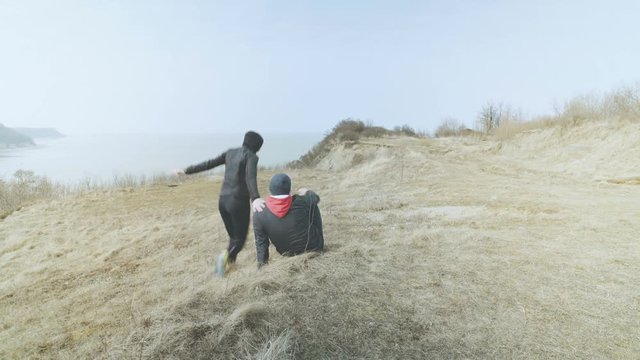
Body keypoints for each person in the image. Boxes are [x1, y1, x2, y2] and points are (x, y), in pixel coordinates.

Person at [176, 131, 266, 266]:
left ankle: (229, 267)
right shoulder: (251, 157)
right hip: (238, 203)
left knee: (233, 238)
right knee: (239, 241)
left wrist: (187, 170)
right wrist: (256, 198)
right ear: (257, 146)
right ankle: (224, 259)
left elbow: (209, 163)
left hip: (223, 201)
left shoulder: (230, 153)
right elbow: (250, 177)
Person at [253, 173, 324, 268]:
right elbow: (316, 198)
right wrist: (307, 192)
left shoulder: (259, 212)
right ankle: (318, 239)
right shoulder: (302, 201)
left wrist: (261, 269)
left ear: (270, 190)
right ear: (289, 189)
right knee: (313, 204)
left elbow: (261, 244)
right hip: (314, 248)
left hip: (287, 253)